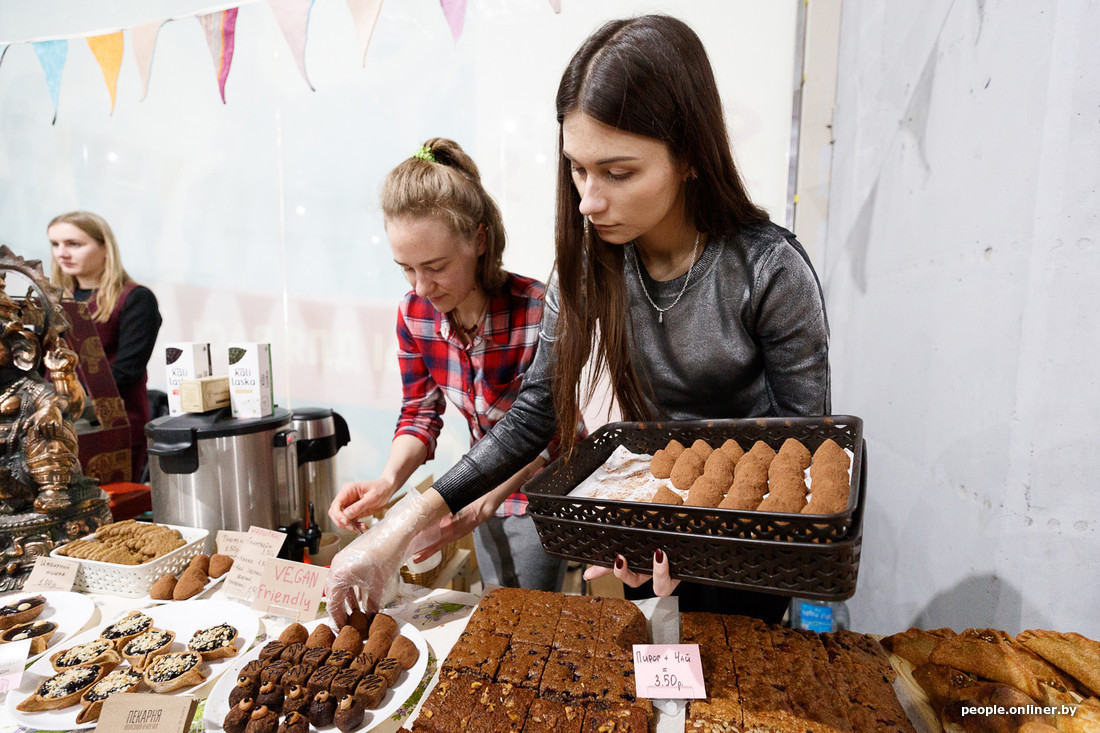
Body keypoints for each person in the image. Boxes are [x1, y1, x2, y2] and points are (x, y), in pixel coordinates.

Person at [326, 15, 829, 624]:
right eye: (577, 169)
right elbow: (535, 410)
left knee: (732, 695)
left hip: (750, 545)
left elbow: (806, 450)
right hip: (651, 533)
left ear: (691, 156)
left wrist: (693, 529)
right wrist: (400, 526)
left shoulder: (768, 270)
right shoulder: (591, 267)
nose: (589, 200)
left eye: (618, 173)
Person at [326, 138, 580, 592]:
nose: (422, 287)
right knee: (496, 603)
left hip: (543, 482)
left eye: (436, 266)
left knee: (529, 615)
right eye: (406, 269)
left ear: (479, 240)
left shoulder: (537, 309)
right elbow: (420, 414)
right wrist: (387, 481)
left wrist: (480, 503)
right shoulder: (415, 315)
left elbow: (551, 428)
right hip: (475, 481)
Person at [48, 211, 162, 482]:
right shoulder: (52, 300)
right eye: (55, 244)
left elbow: (126, 371)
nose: (62, 253)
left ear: (104, 247)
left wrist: (63, 402)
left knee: (110, 514)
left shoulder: (135, 299)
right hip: (53, 424)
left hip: (112, 423)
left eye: (74, 244)